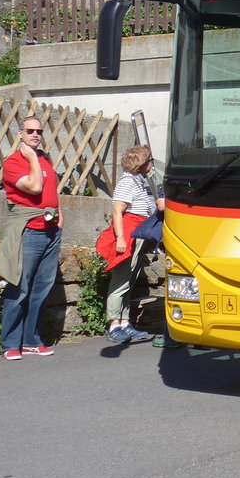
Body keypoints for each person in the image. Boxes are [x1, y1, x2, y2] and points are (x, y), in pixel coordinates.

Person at [0, 116, 62, 361]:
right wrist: (33, 159)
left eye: (39, 131)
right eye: (30, 131)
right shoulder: (14, 162)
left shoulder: (45, 158)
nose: (35, 134)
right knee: (20, 287)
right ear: (20, 134)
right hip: (29, 230)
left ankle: (31, 340)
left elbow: (52, 190)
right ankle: (10, 343)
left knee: (42, 288)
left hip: (51, 229)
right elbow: (35, 188)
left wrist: (61, 217)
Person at [96, 145, 163, 344]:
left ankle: (125, 322)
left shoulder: (137, 181)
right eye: (149, 160)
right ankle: (114, 324)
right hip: (128, 234)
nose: (151, 164)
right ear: (140, 164)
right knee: (120, 283)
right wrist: (121, 239)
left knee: (129, 281)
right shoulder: (127, 182)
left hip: (137, 235)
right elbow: (118, 211)